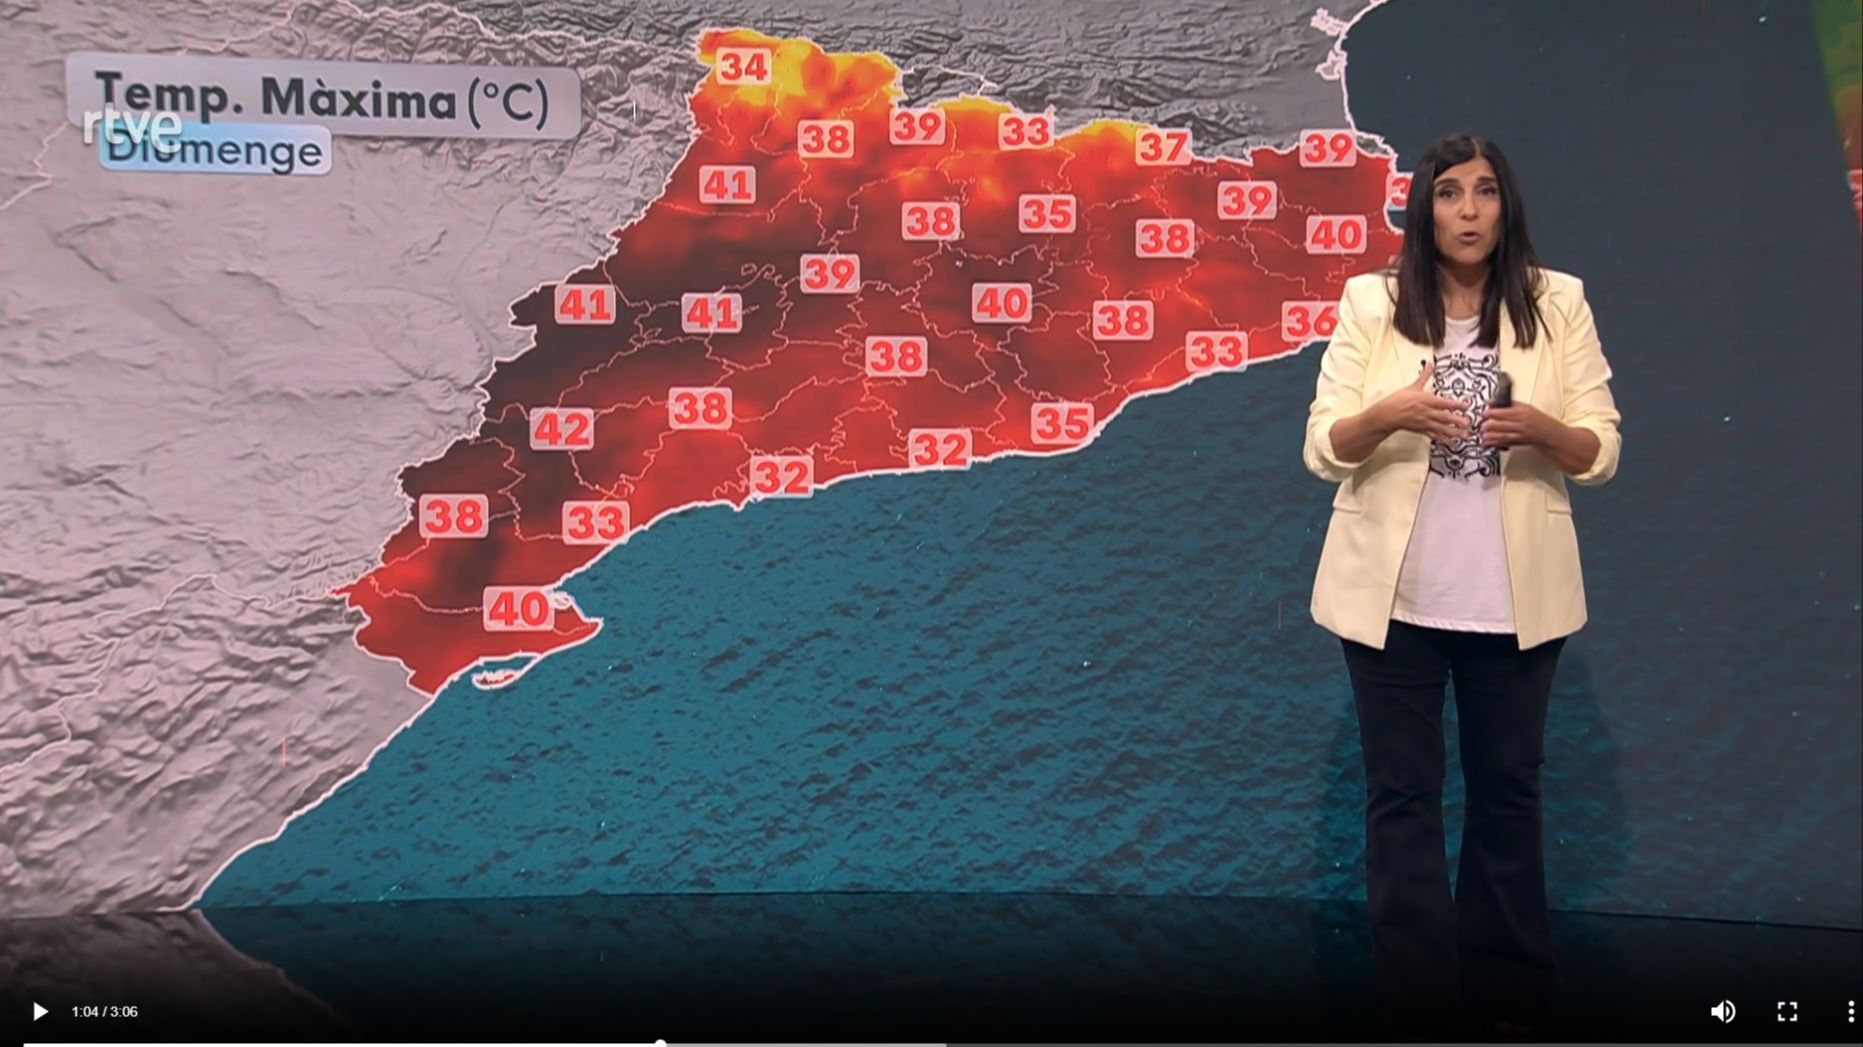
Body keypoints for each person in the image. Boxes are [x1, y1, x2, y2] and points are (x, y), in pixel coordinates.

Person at [1301, 132, 1623, 1042]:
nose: (1469, 211)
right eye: (1449, 193)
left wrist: (1544, 430)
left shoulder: (1558, 302)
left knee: (1507, 793)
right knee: (1401, 798)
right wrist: (1390, 412)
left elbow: (1601, 447)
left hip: (1513, 602)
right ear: (1425, 208)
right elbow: (1323, 445)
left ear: (1505, 205)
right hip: (1393, 602)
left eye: (1484, 192)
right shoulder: (1372, 302)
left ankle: (1509, 996)